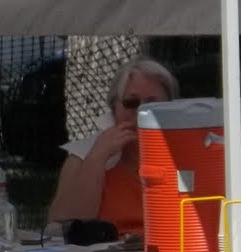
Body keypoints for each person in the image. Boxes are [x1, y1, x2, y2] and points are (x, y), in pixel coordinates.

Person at [47, 57, 180, 236]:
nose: (141, 112)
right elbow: (63, 225)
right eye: (131, 103)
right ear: (114, 109)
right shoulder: (83, 156)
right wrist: (98, 156)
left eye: (152, 104)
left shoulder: (187, 155)